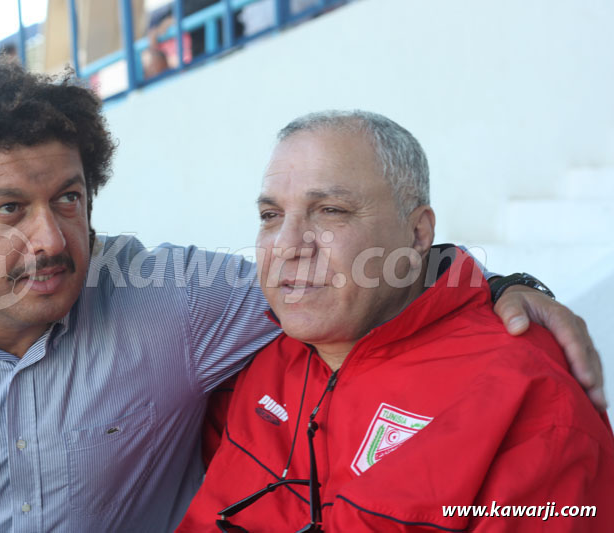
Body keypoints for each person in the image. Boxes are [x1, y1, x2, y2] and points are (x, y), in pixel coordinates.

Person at [0, 62, 603, 532]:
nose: (53, 239)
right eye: (10, 210)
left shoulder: (175, 303)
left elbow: (348, 282)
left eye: (70, 198)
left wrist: (501, 286)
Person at [177, 111, 614, 532]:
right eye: (271, 216)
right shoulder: (251, 359)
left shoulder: (526, 394)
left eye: (330, 210)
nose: (288, 245)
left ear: (418, 233)